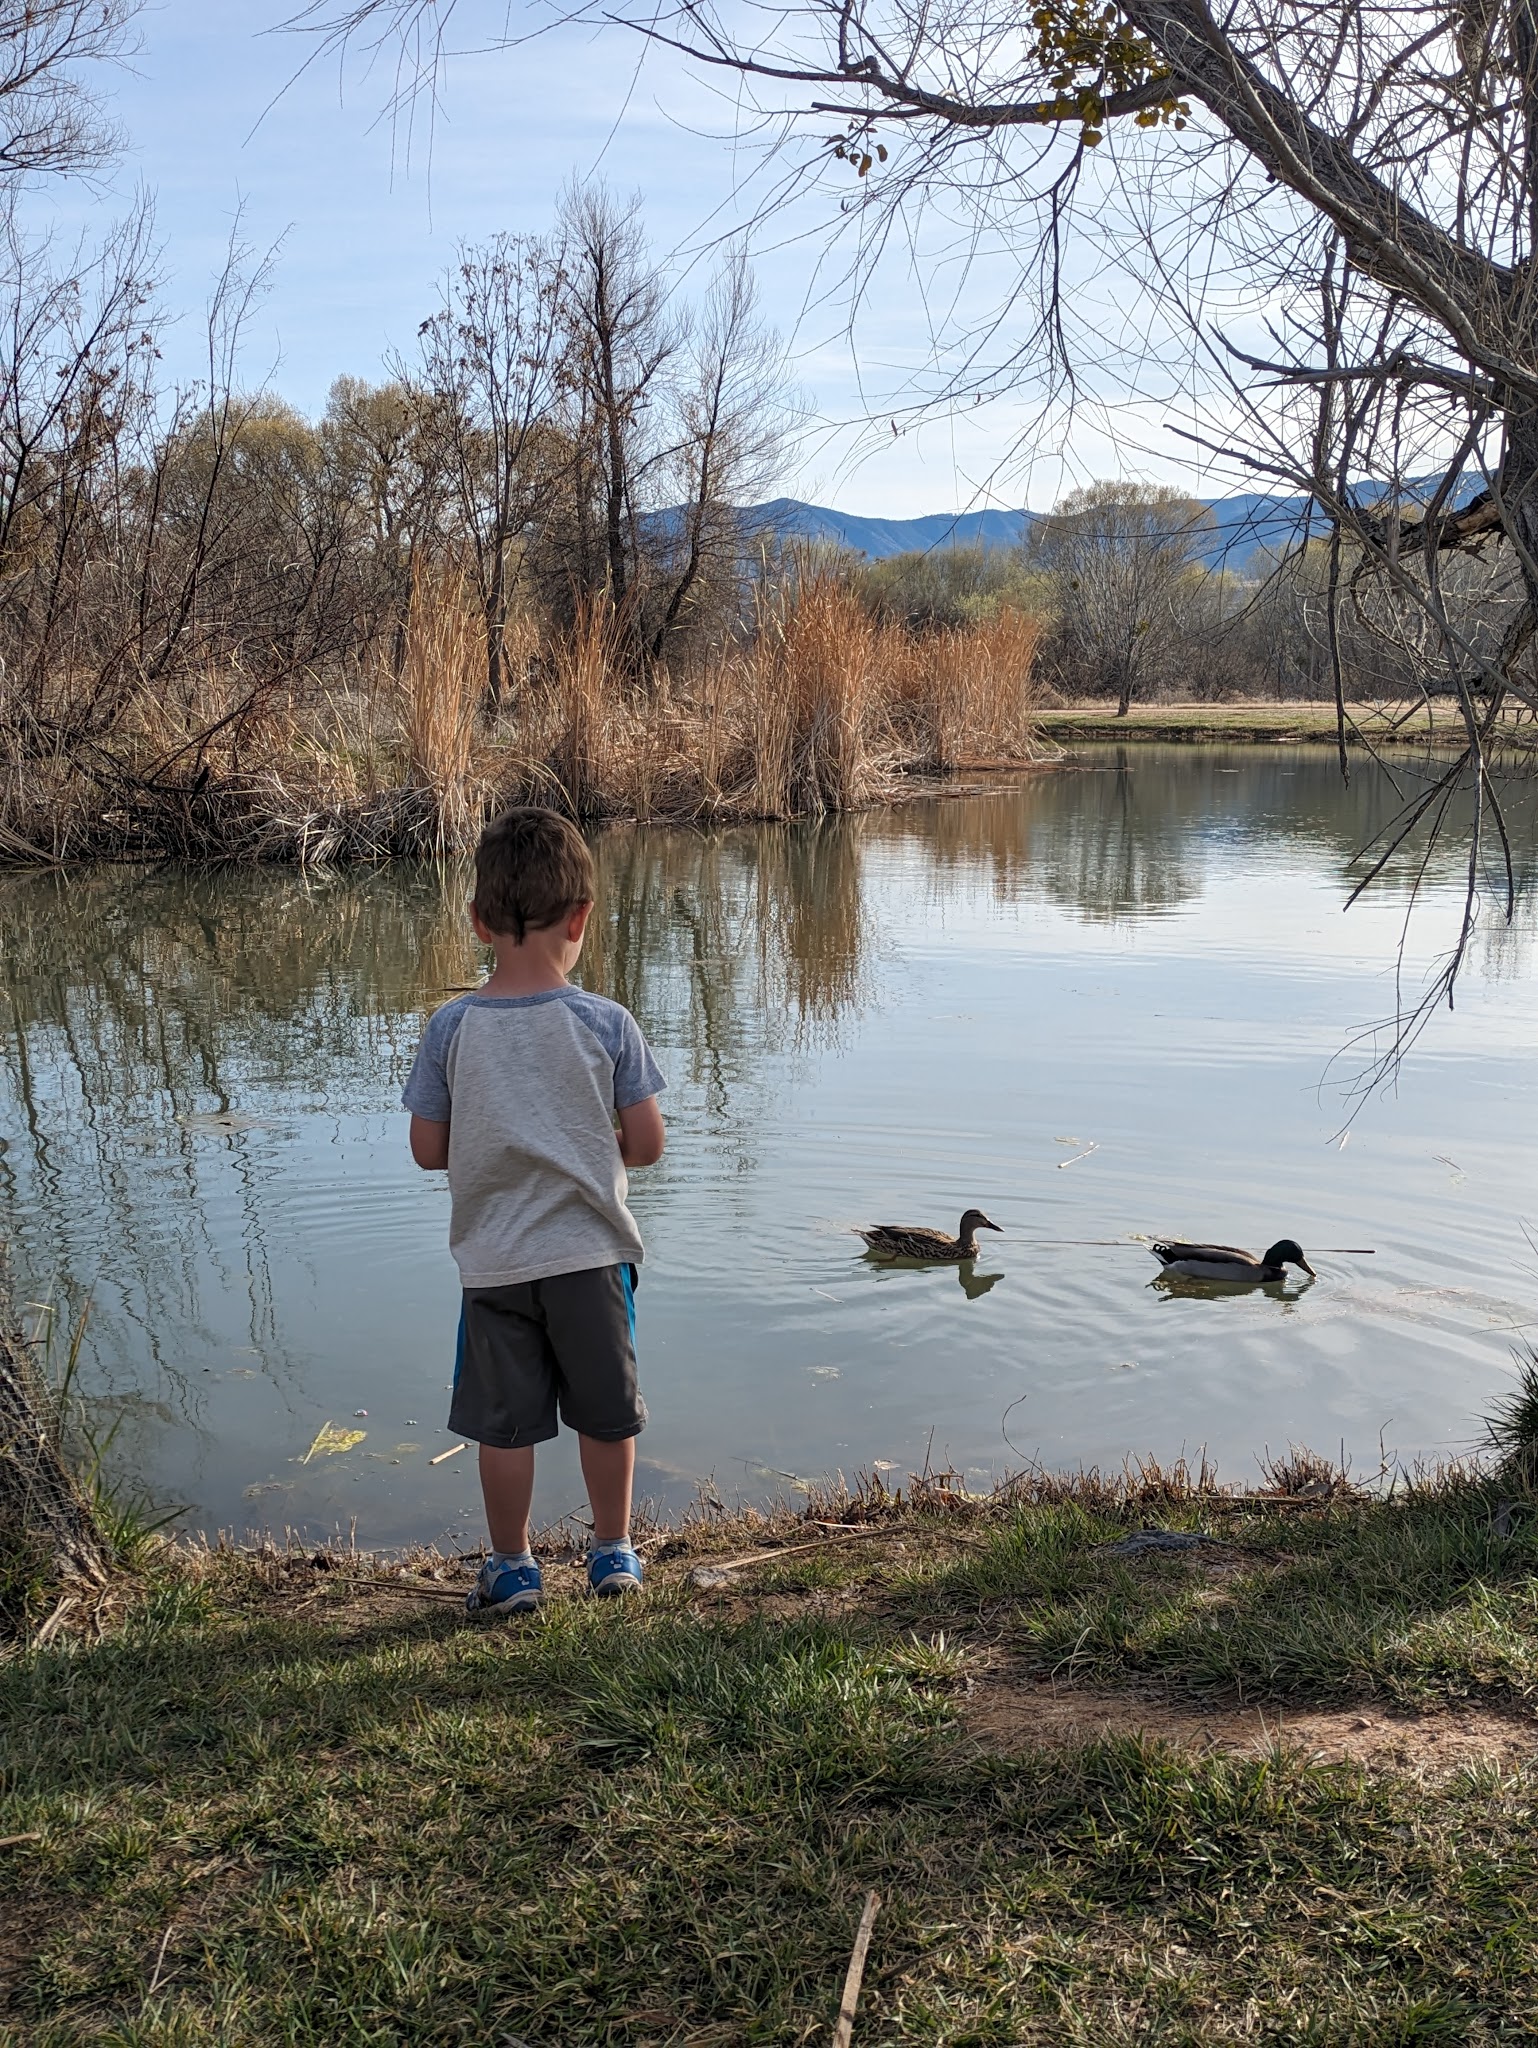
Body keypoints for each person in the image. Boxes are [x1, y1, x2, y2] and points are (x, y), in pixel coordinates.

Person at [403, 806, 666, 1614]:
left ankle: (513, 1567)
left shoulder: (450, 1027)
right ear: (581, 917)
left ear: (479, 922)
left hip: (494, 1265)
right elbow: (647, 1142)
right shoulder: (605, 1024)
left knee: (504, 1426)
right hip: (590, 1258)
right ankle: (613, 1552)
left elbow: (427, 1148)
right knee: (606, 1413)